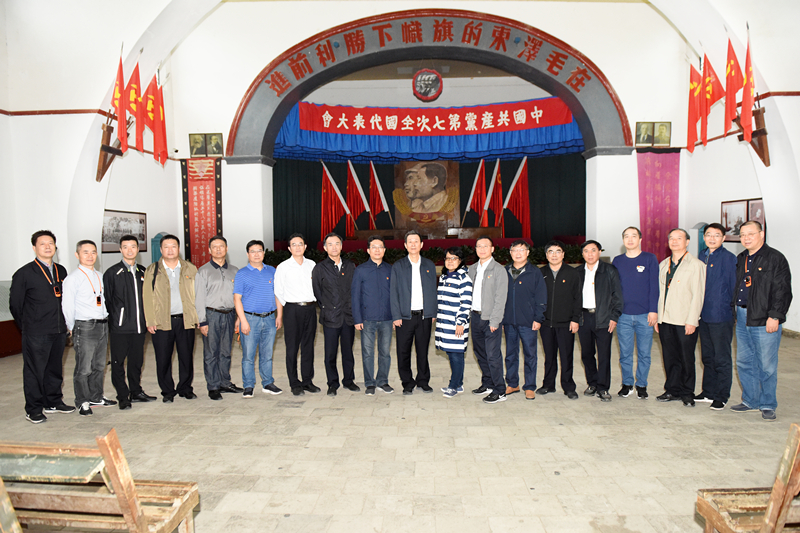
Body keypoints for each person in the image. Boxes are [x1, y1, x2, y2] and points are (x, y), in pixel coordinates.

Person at [730, 221, 792, 421]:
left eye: (751, 234)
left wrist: (775, 316)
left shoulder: (775, 258)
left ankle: (767, 404)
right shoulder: (742, 258)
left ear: (761, 234)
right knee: (744, 361)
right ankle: (751, 400)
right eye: (742, 235)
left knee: (766, 365)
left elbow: (782, 290)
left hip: (764, 318)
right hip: (742, 316)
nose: (746, 238)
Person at [10, 230, 74, 423]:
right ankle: (33, 409)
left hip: (58, 330)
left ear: (55, 247)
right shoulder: (24, 273)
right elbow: (15, 305)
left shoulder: (61, 271)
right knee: (34, 372)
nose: (47, 247)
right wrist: (28, 326)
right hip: (36, 332)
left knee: (54, 369)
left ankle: (53, 401)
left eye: (51, 243)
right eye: (42, 244)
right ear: (34, 247)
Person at [61, 240, 116, 417]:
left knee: (99, 365)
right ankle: (82, 401)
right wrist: (71, 327)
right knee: (84, 367)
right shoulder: (72, 279)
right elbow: (67, 306)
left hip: (102, 324)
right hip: (84, 326)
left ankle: (96, 397)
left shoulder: (100, 275)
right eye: (85, 252)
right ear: (77, 255)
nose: (90, 256)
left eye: (93, 252)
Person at [143, 234, 199, 402]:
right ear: (161, 249)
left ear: (178, 249)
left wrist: (198, 317)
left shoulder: (190, 268)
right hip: (162, 322)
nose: (170, 250)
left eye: (173, 246)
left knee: (186, 357)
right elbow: (147, 297)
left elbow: (198, 294)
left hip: (185, 320)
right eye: (166, 247)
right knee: (163, 358)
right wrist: (150, 320)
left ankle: (185, 388)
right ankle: (167, 391)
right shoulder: (152, 270)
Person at [104, 234, 157, 409]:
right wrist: (116, 320)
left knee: (136, 362)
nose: (129, 250)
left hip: (139, 327)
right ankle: (122, 396)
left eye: (133, 246)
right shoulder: (112, 273)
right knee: (118, 363)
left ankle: (136, 391)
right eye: (125, 247)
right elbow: (108, 300)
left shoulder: (143, 271)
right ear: (120, 249)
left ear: (138, 249)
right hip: (120, 328)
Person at [655, 228, 705, 407]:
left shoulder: (696, 265)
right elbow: (660, 293)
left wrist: (692, 320)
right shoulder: (663, 264)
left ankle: (687, 392)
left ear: (687, 242)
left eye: (679, 238)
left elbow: (698, 295)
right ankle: (672, 389)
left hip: (685, 320)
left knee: (686, 357)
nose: (674, 241)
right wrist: (659, 317)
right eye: (671, 238)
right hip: (665, 319)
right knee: (669, 357)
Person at [612, 226, 659, 399]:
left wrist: (653, 310)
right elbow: (614, 288)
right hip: (623, 315)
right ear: (623, 240)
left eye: (634, 236)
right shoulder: (617, 261)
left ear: (640, 239)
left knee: (644, 353)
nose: (630, 239)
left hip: (645, 315)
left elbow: (654, 286)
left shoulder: (649, 258)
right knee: (625, 353)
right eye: (626, 236)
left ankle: (642, 385)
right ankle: (627, 383)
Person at [195, 236, 243, 401]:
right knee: (211, 353)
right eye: (214, 247)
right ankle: (213, 386)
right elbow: (199, 298)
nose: (218, 249)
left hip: (230, 315)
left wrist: (238, 317)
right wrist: (202, 321)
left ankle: (225, 382)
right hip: (211, 315)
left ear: (226, 249)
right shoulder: (203, 271)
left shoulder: (235, 271)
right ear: (209, 250)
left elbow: (239, 296)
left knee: (226, 352)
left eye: (221, 246)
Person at [695, 223, 737, 411]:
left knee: (721, 357)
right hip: (703, 314)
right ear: (704, 237)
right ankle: (708, 392)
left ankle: (721, 395)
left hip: (721, 315)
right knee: (707, 356)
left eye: (717, 235)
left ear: (723, 238)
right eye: (709, 235)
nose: (712, 238)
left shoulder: (728, 258)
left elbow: (733, 286)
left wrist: (731, 311)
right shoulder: (701, 255)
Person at [390, 230, 438, 395]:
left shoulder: (429, 265)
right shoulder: (398, 266)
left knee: (422, 351)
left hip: (424, 316)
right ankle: (407, 382)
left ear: (421, 245)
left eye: (416, 241)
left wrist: (432, 312)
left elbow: (433, 290)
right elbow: (393, 293)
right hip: (405, 317)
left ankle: (423, 381)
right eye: (410, 241)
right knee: (403, 351)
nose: (413, 244)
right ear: (405, 245)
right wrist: (396, 316)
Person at [234, 239, 282, 398]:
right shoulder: (242, 273)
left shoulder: (272, 271)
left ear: (264, 253)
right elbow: (237, 299)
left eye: (259, 251)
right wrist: (243, 321)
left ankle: (267, 383)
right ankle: (248, 385)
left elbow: (278, 295)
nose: (256, 254)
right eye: (253, 251)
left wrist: (279, 315)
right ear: (248, 254)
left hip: (269, 318)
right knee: (248, 356)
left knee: (267, 354)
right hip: (250, 319)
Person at [577, 240, 623, 402]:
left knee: (604, 354)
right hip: (584, 318)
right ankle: (592, 383)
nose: (590, 254)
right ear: (582, 254)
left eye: (593, 250)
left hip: (604, 317)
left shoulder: (609, 270)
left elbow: (617, 295)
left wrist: (614, 316)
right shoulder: (577, 272)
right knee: (587, 354)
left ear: (599, 252)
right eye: (586, 251)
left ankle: (603, 387)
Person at [312, 233, 358, 396]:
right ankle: (332, 383)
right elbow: (318, 292)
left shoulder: (350, 266)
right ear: (325, 248)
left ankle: (349, 380)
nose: (334, 247)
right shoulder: (320, 268)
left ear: (341, 246)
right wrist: (327, 308)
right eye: (330, 244)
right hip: (330, 317)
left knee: (348, 352)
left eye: (337, 243)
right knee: (330, 353)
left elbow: (354, 290)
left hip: (348, 317)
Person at [502, 240, 546, 401]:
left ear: (528, 252)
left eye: (522, 250)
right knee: (510, 354)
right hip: (509, 321)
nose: (518, 253)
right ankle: (512, 383)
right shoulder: (504, 271)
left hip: (528, 321)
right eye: (515, 250)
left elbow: (541, 297)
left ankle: (530, 386)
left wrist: (538, 318)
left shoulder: (534, 272)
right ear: (510, 253)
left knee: (530, 354)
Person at [274, 233, 318, 396]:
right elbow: (278, 292)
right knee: (292, 347)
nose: (298, 247)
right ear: (289, 248)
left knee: (308, 346)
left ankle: (307, 381)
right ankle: (294, 382)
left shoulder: (312, 264)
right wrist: (280, 315)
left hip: (310, 309)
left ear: (305, 247)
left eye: (300, 244)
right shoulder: (283, 267)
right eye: (294, 244)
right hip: (292, 310)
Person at [537, 240, 581, 399]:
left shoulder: (572, 273)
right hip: (546, 323)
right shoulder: (540, 273)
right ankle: (548, 385)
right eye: (551, 251)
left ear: (563, 254)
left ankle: (569, 387)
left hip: (566, 323)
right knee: (549, 357)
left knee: (566, 356)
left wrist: (575, 319)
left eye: (558, 251)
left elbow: (578, 298)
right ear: (546, 255)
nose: (554, 255)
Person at [468, 237, 509, 404]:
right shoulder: (472, 269)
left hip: (491, 318)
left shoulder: (499, 270)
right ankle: (488, 383)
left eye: (486, 246)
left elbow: (501, 298)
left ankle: (500, 390)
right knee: (480, 353)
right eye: (479, 246)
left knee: (493, 355)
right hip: (475, 317)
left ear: (492, 249)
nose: (482, 249)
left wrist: (495, 320)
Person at [351, 236, 394, 395]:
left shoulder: (390, 269)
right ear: (368, 250)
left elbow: (395, 295)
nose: (377, 250)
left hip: (387, 318)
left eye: (380, 247)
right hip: (367, 319)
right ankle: (369, 383)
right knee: (368, 353)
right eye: (374, 247)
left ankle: (382, 381)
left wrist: (396, 317)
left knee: (385, 353)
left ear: (384, 250)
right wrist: (357, 318)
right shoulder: (360, 270)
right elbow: (355, 296)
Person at [436, 247, 472, 398]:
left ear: (460, 261)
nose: (450, 261)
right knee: (452, 354)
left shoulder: (464, 279)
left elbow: (466, 303)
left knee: (456, 355)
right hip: (445, 324)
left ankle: (453, 386)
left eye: (454, 258)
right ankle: (459, 384)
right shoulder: (444, 277)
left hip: (456, 325)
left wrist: (460, 323)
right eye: (447, 258)